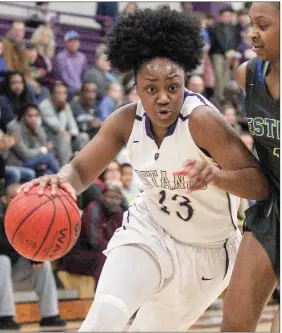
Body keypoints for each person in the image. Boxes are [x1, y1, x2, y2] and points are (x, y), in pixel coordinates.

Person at [22, 7, 270, 332]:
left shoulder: (204, 121)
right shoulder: (126, 120)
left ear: (185, 82)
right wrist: (61, 181)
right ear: (136, 89)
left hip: (206, 253)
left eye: (173, 86)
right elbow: (81, 171)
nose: (163, 98)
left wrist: (217, 176)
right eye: (151, 89)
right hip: (149, 229)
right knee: (106, 314)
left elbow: (260, 185)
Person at [221, 2, 280, 332]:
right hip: (271, 206)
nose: (252, 33)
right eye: (250, 24)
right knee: (234, 323)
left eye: (263, 25)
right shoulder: (248, 74)